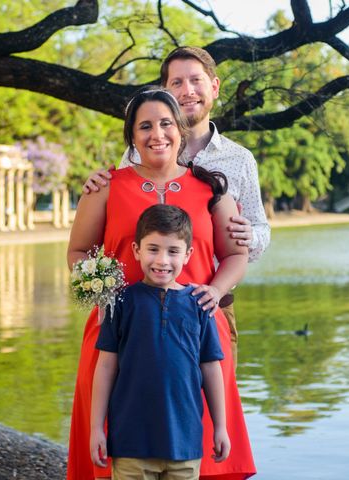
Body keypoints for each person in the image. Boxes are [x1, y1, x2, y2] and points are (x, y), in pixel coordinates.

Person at [67, 87, 256, 480]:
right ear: (131, 136)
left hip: (195, 335)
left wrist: (216, 291)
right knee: (116, 446)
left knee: (198, 443)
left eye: (166, 124)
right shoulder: (104, 188)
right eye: (145, 126)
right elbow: (79, 251)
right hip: (117, 335)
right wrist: (103, 294)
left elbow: (237, 255)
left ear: (181, 130)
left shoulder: (211, 190)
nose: (157, 134)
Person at [83, 47, 270, 366]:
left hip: (209, 304)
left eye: (196, 80)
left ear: (214, 86)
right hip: (136, 310)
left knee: (210, 409)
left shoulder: (238, 160)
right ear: (165, 91)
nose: (188, 91)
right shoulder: (136, 153)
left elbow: (258, 232)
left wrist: (248, 235)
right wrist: (96, 190)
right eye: (177, 83)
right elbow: (120, 219)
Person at [90, 204, 230, 480]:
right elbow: (106, 367)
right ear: (136, 251)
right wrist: (97, 427)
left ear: (188, 254)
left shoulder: (200, 304)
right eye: (153, 249)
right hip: (131, 443)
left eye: (173, 251)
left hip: (185, 444)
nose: (162, 260)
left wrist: (221, 426)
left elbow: (211, 369)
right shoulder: (120, 302)